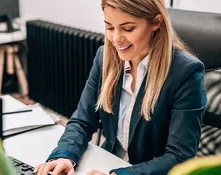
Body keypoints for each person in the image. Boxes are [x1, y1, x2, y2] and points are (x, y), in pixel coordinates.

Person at [33, 0, 207, 174]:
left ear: (156, 22)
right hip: (108, 161)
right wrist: (65, 155)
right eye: (109, 27)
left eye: (128, 28)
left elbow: (179, 156)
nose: (116, 39)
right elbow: (82, 121)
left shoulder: (186, 72)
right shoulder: (105, 57)